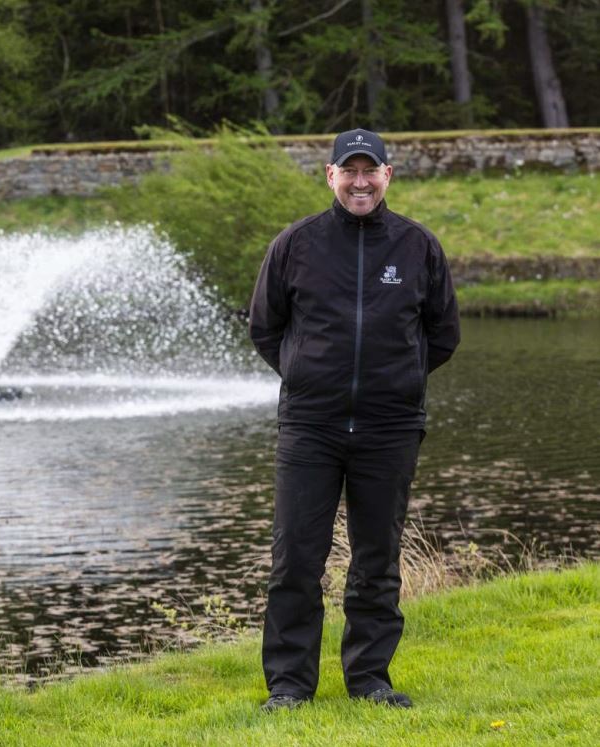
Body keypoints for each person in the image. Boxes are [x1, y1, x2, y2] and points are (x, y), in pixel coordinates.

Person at [248, 128, 460, 712]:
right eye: (350, 171)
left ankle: (370, 680)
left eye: (371, 171)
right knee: (296, 558)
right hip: (310, 427)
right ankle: (289, 686)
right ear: (330, 175)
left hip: (390, 428)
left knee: (376, 560)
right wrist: (308, 376)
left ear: (388, 175)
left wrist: (398, 384)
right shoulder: (296, 244)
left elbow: (442, 335)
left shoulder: (418, 246)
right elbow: (265, 327)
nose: (360, 181)